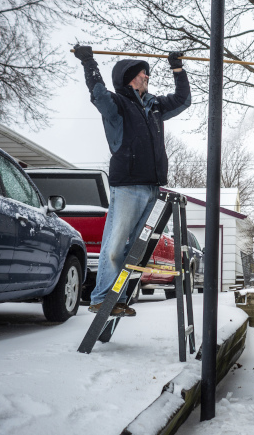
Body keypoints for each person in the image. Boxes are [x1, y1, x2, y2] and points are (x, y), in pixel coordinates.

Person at [73, 45, 191, 317]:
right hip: (127, 185)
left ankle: (118, 298)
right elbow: (98, 92)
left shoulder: (155, 107)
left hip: (153, 187)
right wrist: (89, 61)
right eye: (141, 74)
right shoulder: (117, 105)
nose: (146, 77)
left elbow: (183, 100)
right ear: (127, 78)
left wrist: (177, 69)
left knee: (134, 250)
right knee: (115, 245)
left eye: (147, 74)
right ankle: (102, 297)